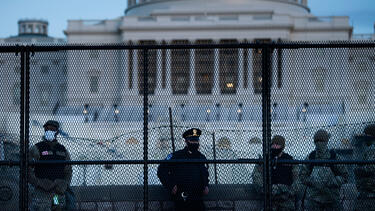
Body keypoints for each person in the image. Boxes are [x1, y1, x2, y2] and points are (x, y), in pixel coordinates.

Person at [157, 128, 209, 211]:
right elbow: (161, 170)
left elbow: (205, 173)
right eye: (192, 141)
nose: (195, 143)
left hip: (198, 197)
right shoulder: (177, 156)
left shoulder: (201, 157)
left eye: (196, 141)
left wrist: (206, 185)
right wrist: (170, 185)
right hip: (182, 197)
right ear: (186, 141)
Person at [300, 129, 349, 211]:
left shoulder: (334, 157)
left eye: (322, 140)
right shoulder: (311, 157)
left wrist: (333, 182)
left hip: (331, 198)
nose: (319, 143)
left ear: (326, 141)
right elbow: (302, 176)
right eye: (317, 141)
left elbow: (345, 175)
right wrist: (313, 182)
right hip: (314, 198)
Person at [29, 120, 72, 211]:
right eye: (47, 129)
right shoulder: (37, 148)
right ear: (44, 130)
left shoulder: (63, 150)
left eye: (52, 129)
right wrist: (39, 182)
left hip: (56, 193)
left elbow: (68, 171)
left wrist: (64, 184)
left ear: (57, 132)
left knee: (57, 208)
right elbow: (28, 169)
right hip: (42, 193)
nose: (49, 131)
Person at [252, 135, 300, 211]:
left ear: (282, 147)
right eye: (273, 144)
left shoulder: (290, 160)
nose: (274, 146)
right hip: (269, 199)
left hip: (286, 200)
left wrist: (286, 191)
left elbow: (297, 180)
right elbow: (256, 175)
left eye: (277, 145)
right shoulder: (265, 159)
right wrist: (265, 189)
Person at [354, 124, 375, 211]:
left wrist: (358, 170)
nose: (365, 137)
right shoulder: (369, 149)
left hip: (370, 191)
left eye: (367, 135)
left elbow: (370, 168)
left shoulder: (372, 149)